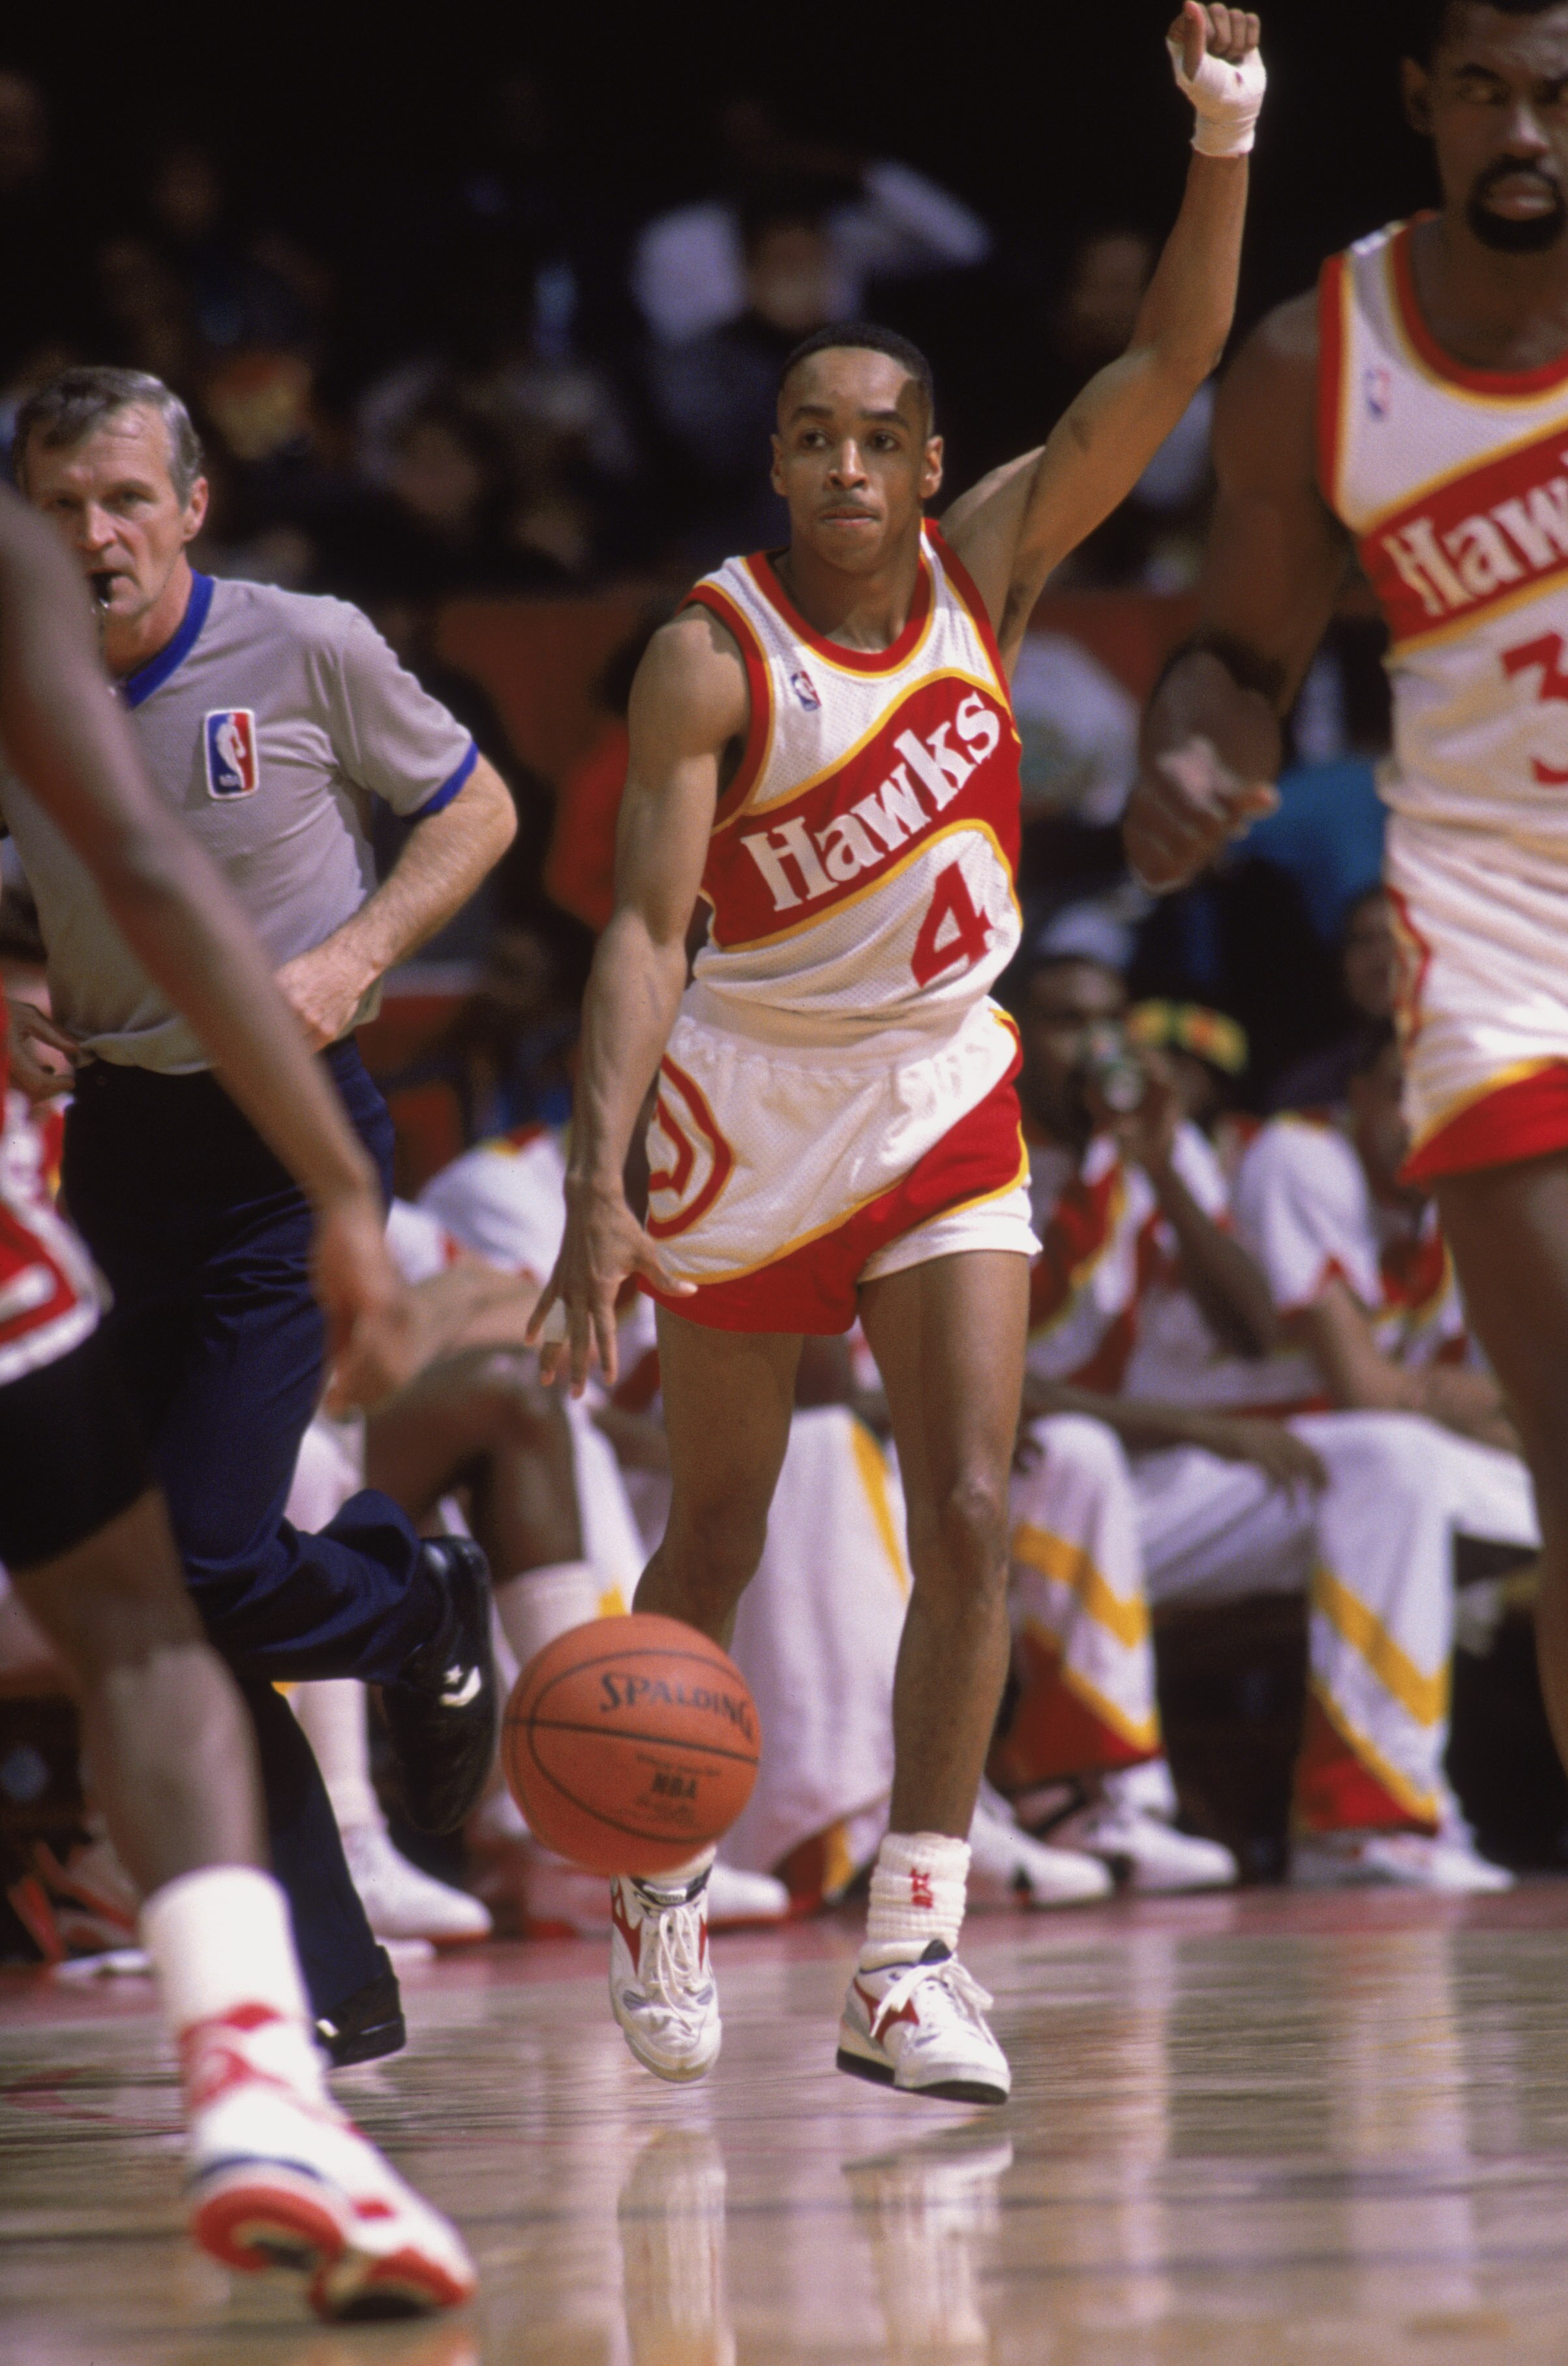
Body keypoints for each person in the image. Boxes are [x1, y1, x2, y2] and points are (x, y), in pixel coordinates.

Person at [527, 7, 1266, 2108]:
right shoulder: (706, 651)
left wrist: (1224, 137)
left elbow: (1169, 368)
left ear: (927, 465)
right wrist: (595, 1194)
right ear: (774, 463)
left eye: (878, 437)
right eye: (810, 437)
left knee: (969, 1494)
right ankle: (655, 1871)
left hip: (941, 1083)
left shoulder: (993, 564)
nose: (845, 466)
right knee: (722, 1526)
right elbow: (645, 934)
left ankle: (910, 1948)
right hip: (747, 1105)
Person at [3, 365, 517, 2063]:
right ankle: (336, 1983)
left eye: (126, 498)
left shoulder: (304, 644)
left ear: (191, 506)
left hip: (289, 1149)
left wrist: (356, 954)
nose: (97, 533)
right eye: (65, 502)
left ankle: (418, 1601)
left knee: (211, 1555)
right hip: (122, 1152)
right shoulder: (23, 683)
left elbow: (479, 807)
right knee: (139, 1582)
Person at [1128, 0, 1568, 1780]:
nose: (1520, 127)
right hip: (1490, 929)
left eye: (1552, 92)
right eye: (1480, 90)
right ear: (1419, 105)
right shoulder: (1326, 354)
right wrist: (1185, 750)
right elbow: (1233, 656)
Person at [1003, 950, 1533, 1890]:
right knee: (1077, 1454)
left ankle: (1368, 1818)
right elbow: (993, 1386)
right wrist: (1204, 1432)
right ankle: (1098, 1801)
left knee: (1385, 1461)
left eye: (1109, 1020)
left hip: (1137, 1489)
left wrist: (1161, 1163)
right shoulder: (975, 1146)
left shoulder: (1154, 1149)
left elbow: (1249, 1325)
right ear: (1008, 1033)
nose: (1093, 1046)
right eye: (1064, 1020)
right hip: (1001, 1490)